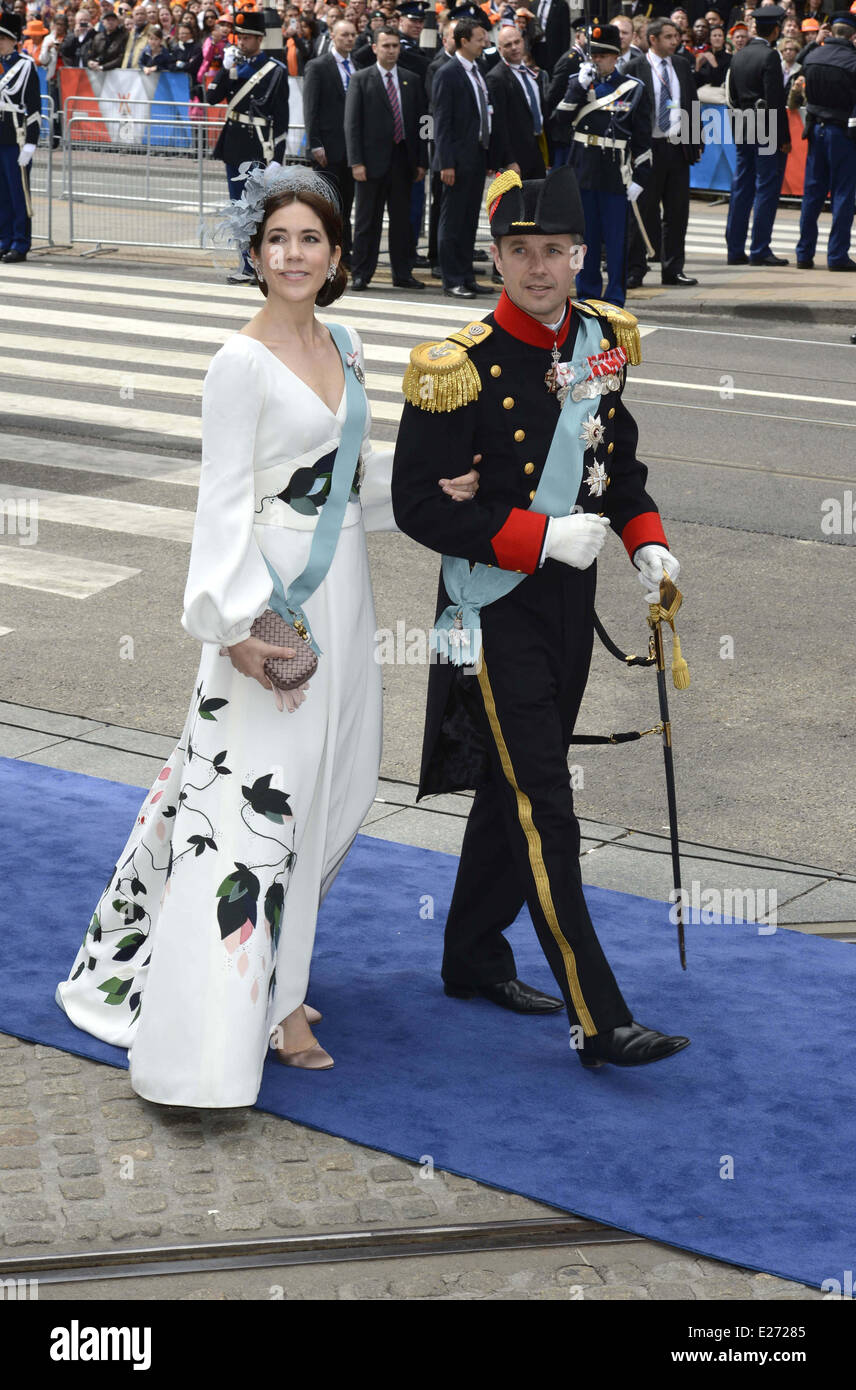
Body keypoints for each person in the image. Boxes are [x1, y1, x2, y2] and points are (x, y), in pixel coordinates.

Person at [54, 162, 481, 1107]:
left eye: (311, 240)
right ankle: (255, 1018)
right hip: (270, 605)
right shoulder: (237, 364)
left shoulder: (350, 340)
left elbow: (340, 482)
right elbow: (221, 508)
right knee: (258, 811)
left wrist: (425, 494)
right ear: (253, 252)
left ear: (336, 254)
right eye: (277, 239)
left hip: (346, 598)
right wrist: (238, 628)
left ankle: (281, 974)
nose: (294, 255)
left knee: (335, 779)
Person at [391, 165, 691, 1072]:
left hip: (571, 602)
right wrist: (536, 537)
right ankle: (598, 1016)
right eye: (518, 251)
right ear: (494, 257)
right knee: (543, 801)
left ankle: (472, 954)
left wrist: (645, 540)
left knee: (512, 786)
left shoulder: (600, 338)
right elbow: (418, 506)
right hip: (490, 606)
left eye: (552, 250)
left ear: (579, 254)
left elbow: (616, 462)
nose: (537, 267)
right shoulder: (458, 366)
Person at [555, 22, 652, 306]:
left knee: (617, 240)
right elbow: (558, 124)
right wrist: (577, 89)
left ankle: (615, 297)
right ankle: (586, 294)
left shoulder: (632, 89)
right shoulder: (579, 83)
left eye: (602, 56)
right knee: (584, 241)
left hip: (613, 174)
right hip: (582, 172)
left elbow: (643, 138)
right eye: (593, 55)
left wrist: (641, 178)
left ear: (615, 57)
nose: (596, 60)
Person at [207, 8, 290, 283]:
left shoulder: (275, 71)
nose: (242, 42)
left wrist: (278, 157)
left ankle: (266, 265)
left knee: (261, 211)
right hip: (234, 145)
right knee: (239, 210)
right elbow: (211, 97)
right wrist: (223, 69)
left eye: (248, 38)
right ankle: (246, 265)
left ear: (260, 39)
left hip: (258, 147)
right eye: (239, 37)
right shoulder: (233, 67)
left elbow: (281, 117)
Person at [344, 26, 428, 289]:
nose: (391, 50)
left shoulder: (411, 79)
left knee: (402, 221)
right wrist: (356, 161)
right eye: (386, 46)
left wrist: (422, 160)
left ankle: (402, 273)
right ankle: (361, 272)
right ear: (375, 48)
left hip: (403, 160)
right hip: (370, 163)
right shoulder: (361, 78)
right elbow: (352, 124)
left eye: (395, 45)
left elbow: (423, 122)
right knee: (368, 221)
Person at [626, 17, 701, 288]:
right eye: (669, 37)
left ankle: (673, 269)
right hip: (648, 149)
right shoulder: (635, 67)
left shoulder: (681, 65)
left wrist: (695, 142)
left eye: (676, 36)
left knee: (677, 211)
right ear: (653, 39)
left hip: (676, 146)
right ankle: (635, 268)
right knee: (642, 210)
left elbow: (692, 104)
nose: (675, 41)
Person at [432, 14, 500, 298]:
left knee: (470, 218)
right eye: (479, 39)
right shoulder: (448, 73)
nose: (485, 42)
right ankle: (452, 278)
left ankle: (466, 274)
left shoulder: (477, 69)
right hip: (456, 159)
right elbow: (443, 122)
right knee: (453, 220)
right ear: (464, 41)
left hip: (476, 155)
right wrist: (446, 162)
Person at [724, 4, 790, 264]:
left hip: (742, 124)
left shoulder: (739, 54)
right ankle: (760, 249)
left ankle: (735, 249)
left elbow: (733, 94)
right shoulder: (769, 56)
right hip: (764, 128)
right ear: (775, 30)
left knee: (742, 187)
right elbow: (774, 101)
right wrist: (783, 137)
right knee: (766, 188)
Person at [795, 11, 856, 269]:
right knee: (843, 194)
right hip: (842, 132)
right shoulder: (853, 61)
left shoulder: (814, 55)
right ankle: (836, 255)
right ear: (853, 36)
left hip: (816, 129)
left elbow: (799, 61)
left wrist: (814, 41)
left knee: (812, 193)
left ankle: (804, 253)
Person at [304, 16, 357, 266]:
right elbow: (310, 108)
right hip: (328, 148)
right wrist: (315, 143)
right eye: (344, 35)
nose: (349, 39)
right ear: (333, 37)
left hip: (353, 150)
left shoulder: (356, 64)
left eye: (352, 35)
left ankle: (344, 251)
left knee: (347, 204)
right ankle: (327, 252)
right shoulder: (318, 66)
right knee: (329, 206)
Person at [0, 10, 40, 264]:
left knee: (18, 193)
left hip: (15, 138)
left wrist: (31, 144)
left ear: (13, 40)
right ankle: (3, 239)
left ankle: (20, 242)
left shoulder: (25, 66)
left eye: (2, 38)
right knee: (1, 194)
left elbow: (34, 108)